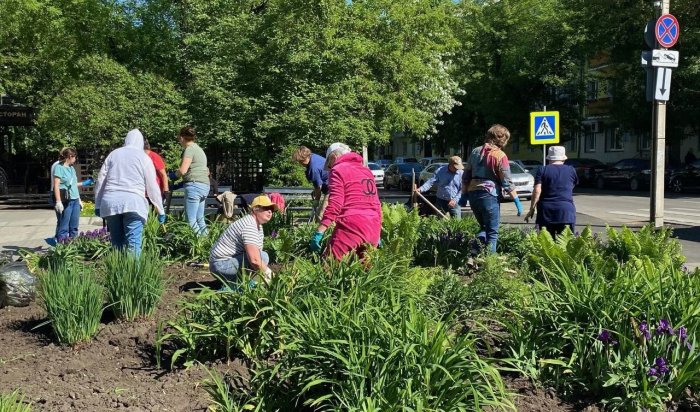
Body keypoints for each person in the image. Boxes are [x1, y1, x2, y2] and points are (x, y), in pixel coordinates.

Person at [94, 129, 165, 255]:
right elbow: (152, 186)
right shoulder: (144, 157)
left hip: (111, 202)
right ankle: (133, 273)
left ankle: (117, 271)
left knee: (116, 242)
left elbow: (101, 180)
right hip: (134, 202)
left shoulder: (114, 154)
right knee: (134, 244)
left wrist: (98, 204)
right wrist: (160, 209)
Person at [310, 143, 381, 260]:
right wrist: (378, 233)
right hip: (373, 225)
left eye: (329, 165)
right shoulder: (366, 171)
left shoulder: (338, 169)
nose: (329, 169)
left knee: (330, 266)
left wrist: (320, 231)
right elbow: (376, 203)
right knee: (365, 270)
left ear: (333, 157)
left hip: (351, 224)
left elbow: (335, 204)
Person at [460, 124, 523, 253]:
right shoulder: (500, 155)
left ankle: (474, 252)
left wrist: (464, 195)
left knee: (484, 227)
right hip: (489, 195)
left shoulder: (475, 152)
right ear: (502, 139)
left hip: (473, 195)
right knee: (492, 233)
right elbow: (507, 182)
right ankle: (490, 263)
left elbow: (466, 175)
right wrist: (517, 200)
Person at [209, 195, 276, 283]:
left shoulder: (257, 225)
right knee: (262, 257)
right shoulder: (249, 225)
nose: (270, 211)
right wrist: (270, 275)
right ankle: (235, 286)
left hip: (225, 262)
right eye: (266, 208)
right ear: (255, 209)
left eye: (271, 209)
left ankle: (239, 282)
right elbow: (255, 260)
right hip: (220, 265)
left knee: (263, 256)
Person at [525, 146, 578, 238]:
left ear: (549, 158)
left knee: (547, 246)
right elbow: (572, 186)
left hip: (546, 212)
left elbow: (537, 190)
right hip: (566, 211)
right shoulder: (571, 170)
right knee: (566, 245)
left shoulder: (542, 170)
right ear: (563, 158)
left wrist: (532, 209)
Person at [52, 147, 94, 241]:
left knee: (74, 227)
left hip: (75, 200)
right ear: (70, 156)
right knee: (64, 227)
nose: (75, 159)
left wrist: (79, 199)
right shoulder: (59, 167)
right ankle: (62, 247)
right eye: (75, 157)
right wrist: (58, 201)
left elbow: (73, 185)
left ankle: (74, 247)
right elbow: (56, 186)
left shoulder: (72, 169)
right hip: (66, 201)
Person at [176, 126, 209, 235]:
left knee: (190, 220)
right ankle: (208, 245)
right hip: (204, 186)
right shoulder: (199, 149)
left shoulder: (189, 149)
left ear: (181, 138)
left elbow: (183, 170)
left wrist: (173, 175)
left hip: (194, 185)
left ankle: (198, 245)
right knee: (200, 219)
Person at [292, 146, 329, 221]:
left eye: (301, 161)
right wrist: (315, 190)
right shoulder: (313, 156)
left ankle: (323, 232)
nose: (300, 163)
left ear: (305, 157)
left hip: (333, 188)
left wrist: (316, 202)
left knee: (320, 215)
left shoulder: (313, 168)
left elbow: (319, 188)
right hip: (331, 186)